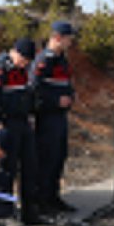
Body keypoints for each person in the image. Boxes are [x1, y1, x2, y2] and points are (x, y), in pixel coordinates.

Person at [0, 37, 41, 224]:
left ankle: (29, 214)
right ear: (15, 52)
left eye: (27, 61)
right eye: (23, 59)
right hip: (6, 125)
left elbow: (27, 95)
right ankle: (5, 213)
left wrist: (30, 115)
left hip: (23, 123)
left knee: (30, 168)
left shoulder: (22, 70)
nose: (25, 64)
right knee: (7, 171)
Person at [30, 20, 77, 213]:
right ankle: (43, 201)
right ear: (57, 38)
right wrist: (56, 101)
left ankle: (54, 197)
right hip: (47, 117)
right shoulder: (43, 61)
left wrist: (71, 96)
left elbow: (66, 84)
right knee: (47, 158)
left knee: (59, 156)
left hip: (60, 117)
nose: (70, 43)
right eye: (68, 39)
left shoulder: (62, 60)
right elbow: (34, 88)